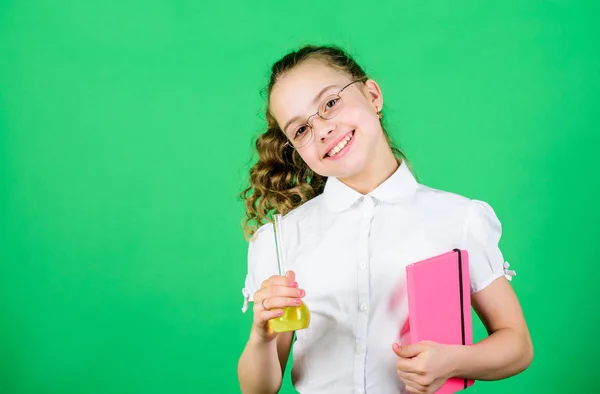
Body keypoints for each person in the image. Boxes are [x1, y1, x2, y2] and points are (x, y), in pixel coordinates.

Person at [237, 45, 533, 394]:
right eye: (300, 130)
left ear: (373, 95)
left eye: (330, 103)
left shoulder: (458, 219)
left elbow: (517, 346)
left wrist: (454, 361)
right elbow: (259, 390)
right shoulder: (280, 240)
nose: (322, 130)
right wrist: (261, 335)